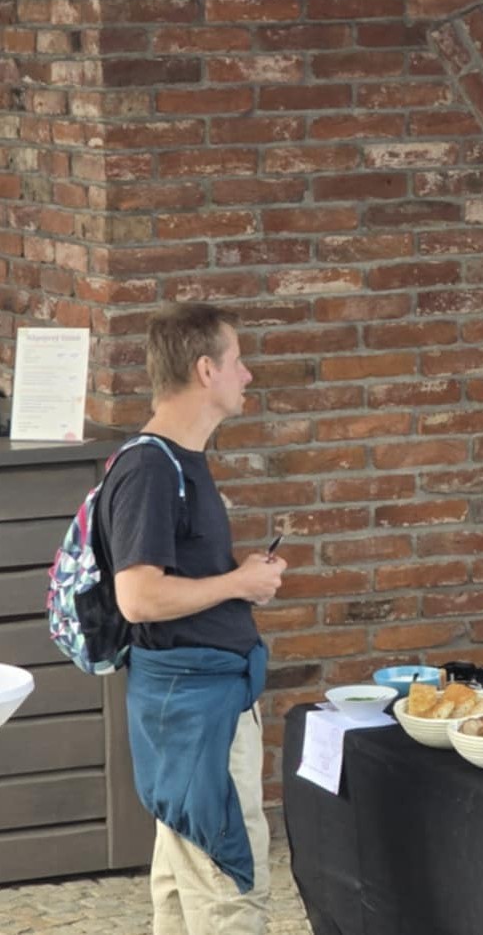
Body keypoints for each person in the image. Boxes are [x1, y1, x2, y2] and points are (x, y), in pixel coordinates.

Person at [96, 302, 287, 935]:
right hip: (197, 712)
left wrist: (240, 582)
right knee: (230, 889)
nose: (247, 375)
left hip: (195, 707)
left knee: (185, 894)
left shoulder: (175, 462)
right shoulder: (152, 469)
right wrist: (237, 582)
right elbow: (139, 598)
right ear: (206, 370)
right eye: (238, 361)